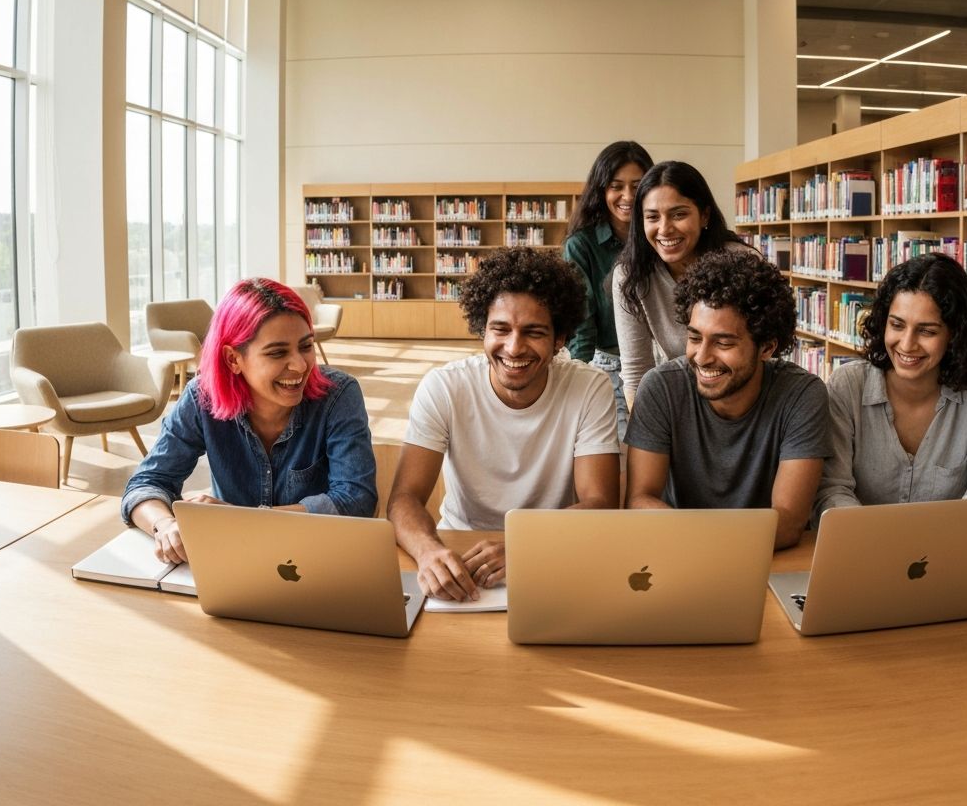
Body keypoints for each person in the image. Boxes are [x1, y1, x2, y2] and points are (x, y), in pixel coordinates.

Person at [387, 247, 621, 601]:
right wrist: (428, 551)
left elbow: (600, 503)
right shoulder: (444, 387)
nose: (514, 348)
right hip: (460, 556)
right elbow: (404, 499)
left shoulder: (589, 387)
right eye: (500, 329)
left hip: (551, 549)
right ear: (483, 329)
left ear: (559, 339)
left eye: (534, 332)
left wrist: (524, 545)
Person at [122, 278, 377, 563]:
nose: (300, 365)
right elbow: (145, 485)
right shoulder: (201, 397)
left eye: (306, 346)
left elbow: (356, 501)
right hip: (234, 558)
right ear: (233, 359)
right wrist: (166, 526)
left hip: (317, 556)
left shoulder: (339, 395)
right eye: (278, 352)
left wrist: (240, 519)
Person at [625, 250, 828, 549]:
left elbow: (788, 522)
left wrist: (700, 537)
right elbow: (639, 501)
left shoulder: (802, 395)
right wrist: (712, 542)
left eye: (723, 343)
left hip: (765, 558)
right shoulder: (661, 388)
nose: (702, 357)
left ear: (767, 348)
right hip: (681, 552)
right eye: (695, 338)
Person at [816, 253, 967, 520]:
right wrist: (870, 536)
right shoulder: (848, 386)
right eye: (897, 325)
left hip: (944, 544)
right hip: (861, 541)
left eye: (927, 331)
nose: (907, 345)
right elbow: (831, 489)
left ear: (955, 335)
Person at [613, 160, 755, 406]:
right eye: (652, 217)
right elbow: (637, 372)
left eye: (679, 214)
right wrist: (643, 427)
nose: (664, 229)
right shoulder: (630, 275)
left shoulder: (743, 263)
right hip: (677, 399)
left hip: (741, 398)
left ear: (704, 215)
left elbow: (764, 354)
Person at [563, 140, 653, 439]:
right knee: (621, 450)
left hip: (660, 362)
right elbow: (581, 318)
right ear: (601, 190)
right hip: (608, 364)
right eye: (616, 186)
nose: (628, 196)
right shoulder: (581, 244)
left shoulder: (660, 236)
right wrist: (580, 378)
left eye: (637, 186)